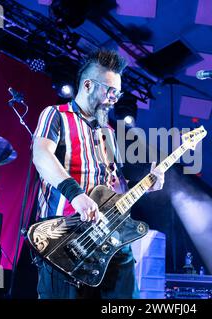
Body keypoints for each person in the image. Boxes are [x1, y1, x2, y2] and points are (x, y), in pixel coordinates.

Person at [31, 49, 164, 299]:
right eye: (110, 91)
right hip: (65, 240)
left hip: (108, 240)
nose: (114, 99)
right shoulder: (56, 115)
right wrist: (76, 195)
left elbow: (116, 189)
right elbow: (41, 156)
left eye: (118, 93)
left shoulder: (109, 133)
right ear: (88, 85)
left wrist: (145, 185)